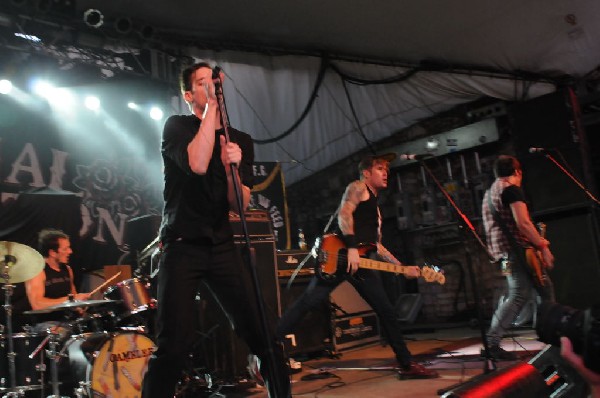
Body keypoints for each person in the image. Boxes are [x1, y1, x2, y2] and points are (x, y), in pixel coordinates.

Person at [141, 62, 290, 398]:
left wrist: (232, 169)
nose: (211, 86)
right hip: (182, 245)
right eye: (202, 82)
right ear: (188, 93)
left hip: (222, 245)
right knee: (173, 346)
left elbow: (239, 204)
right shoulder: (177, 127)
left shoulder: (240, 140)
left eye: (214, 81)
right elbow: (195, 163)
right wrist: (212, 109)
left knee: (265, 335)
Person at [277, 154, 439, 379]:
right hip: (340, 256)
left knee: (387, 311)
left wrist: (402, 267)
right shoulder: (358, 187)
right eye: (380, 168)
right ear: (366, 173)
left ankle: (407, 364)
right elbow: (344, 215)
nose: (385, 173)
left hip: (361, 264)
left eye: (387, 170)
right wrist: (352, 248)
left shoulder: (376, 209)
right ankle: (266, 348)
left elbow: (377, 246)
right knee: (308, 302)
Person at [481, 155, 555, 360]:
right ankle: (492, 342)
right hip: (518, 251)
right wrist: (542, 245)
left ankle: (553, 335)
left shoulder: (490, 192)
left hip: (504, 252)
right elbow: (523, 223)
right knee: (520, 295)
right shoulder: (511, 189)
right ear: (518, 172)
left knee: (542, 289)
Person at [24, 229, 90, 332]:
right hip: (46, 323)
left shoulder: (67, 269)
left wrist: (80, 306)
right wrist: (71, 300)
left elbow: (73, 298)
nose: (70, 251)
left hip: (70, 320)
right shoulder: (38, 271)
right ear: (52, 253)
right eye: (65, 249)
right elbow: (37, 305)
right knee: (62, 334)